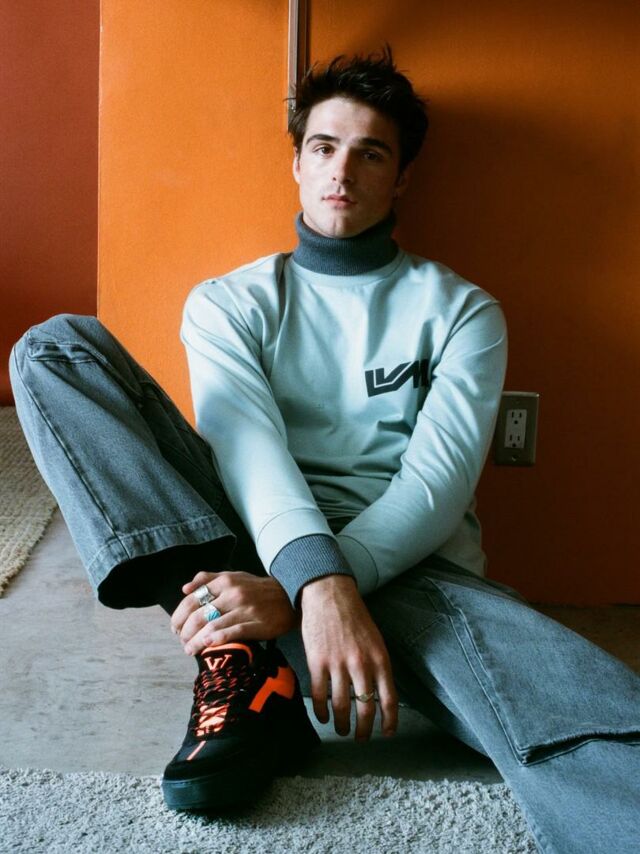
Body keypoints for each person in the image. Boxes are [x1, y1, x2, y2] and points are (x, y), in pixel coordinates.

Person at [9, 46, 640, 851]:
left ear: (401, 177)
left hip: (410, 576)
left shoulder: (462, 312)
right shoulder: (229, 302)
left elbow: (436, 488)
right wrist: (310, 581)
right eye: (324, 146)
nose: (343, 170)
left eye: (371, 153)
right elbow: (250, 456)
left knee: (594, 707)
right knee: (55, 349)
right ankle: (241, 658)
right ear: (298, 163)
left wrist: (326, 587)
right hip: (248, 552)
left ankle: (255, 660)